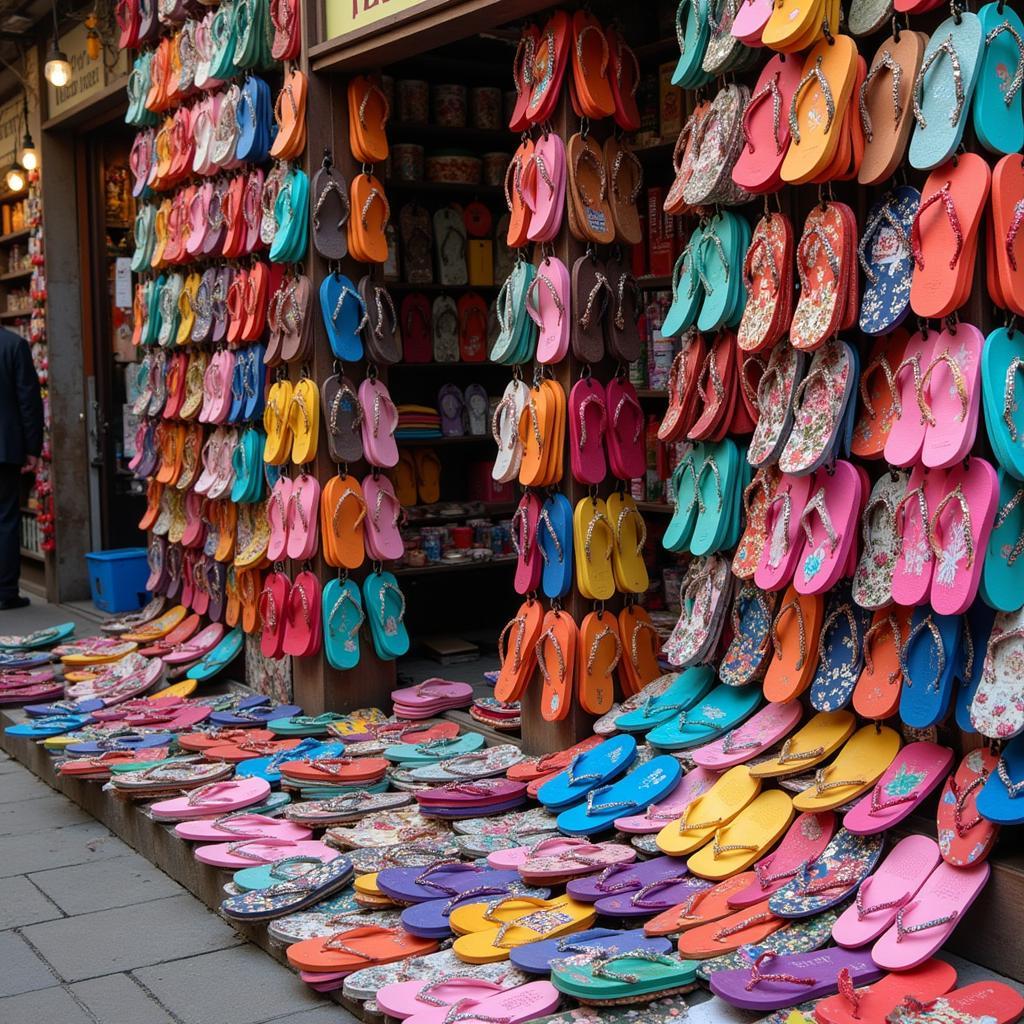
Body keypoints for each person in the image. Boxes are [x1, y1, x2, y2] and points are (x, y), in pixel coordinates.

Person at [0, 328, 43, 610]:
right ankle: (5, 591)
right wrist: (32, 448)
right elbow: (28, 400)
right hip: (5, 448)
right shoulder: (14, 345)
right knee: (5, 519)